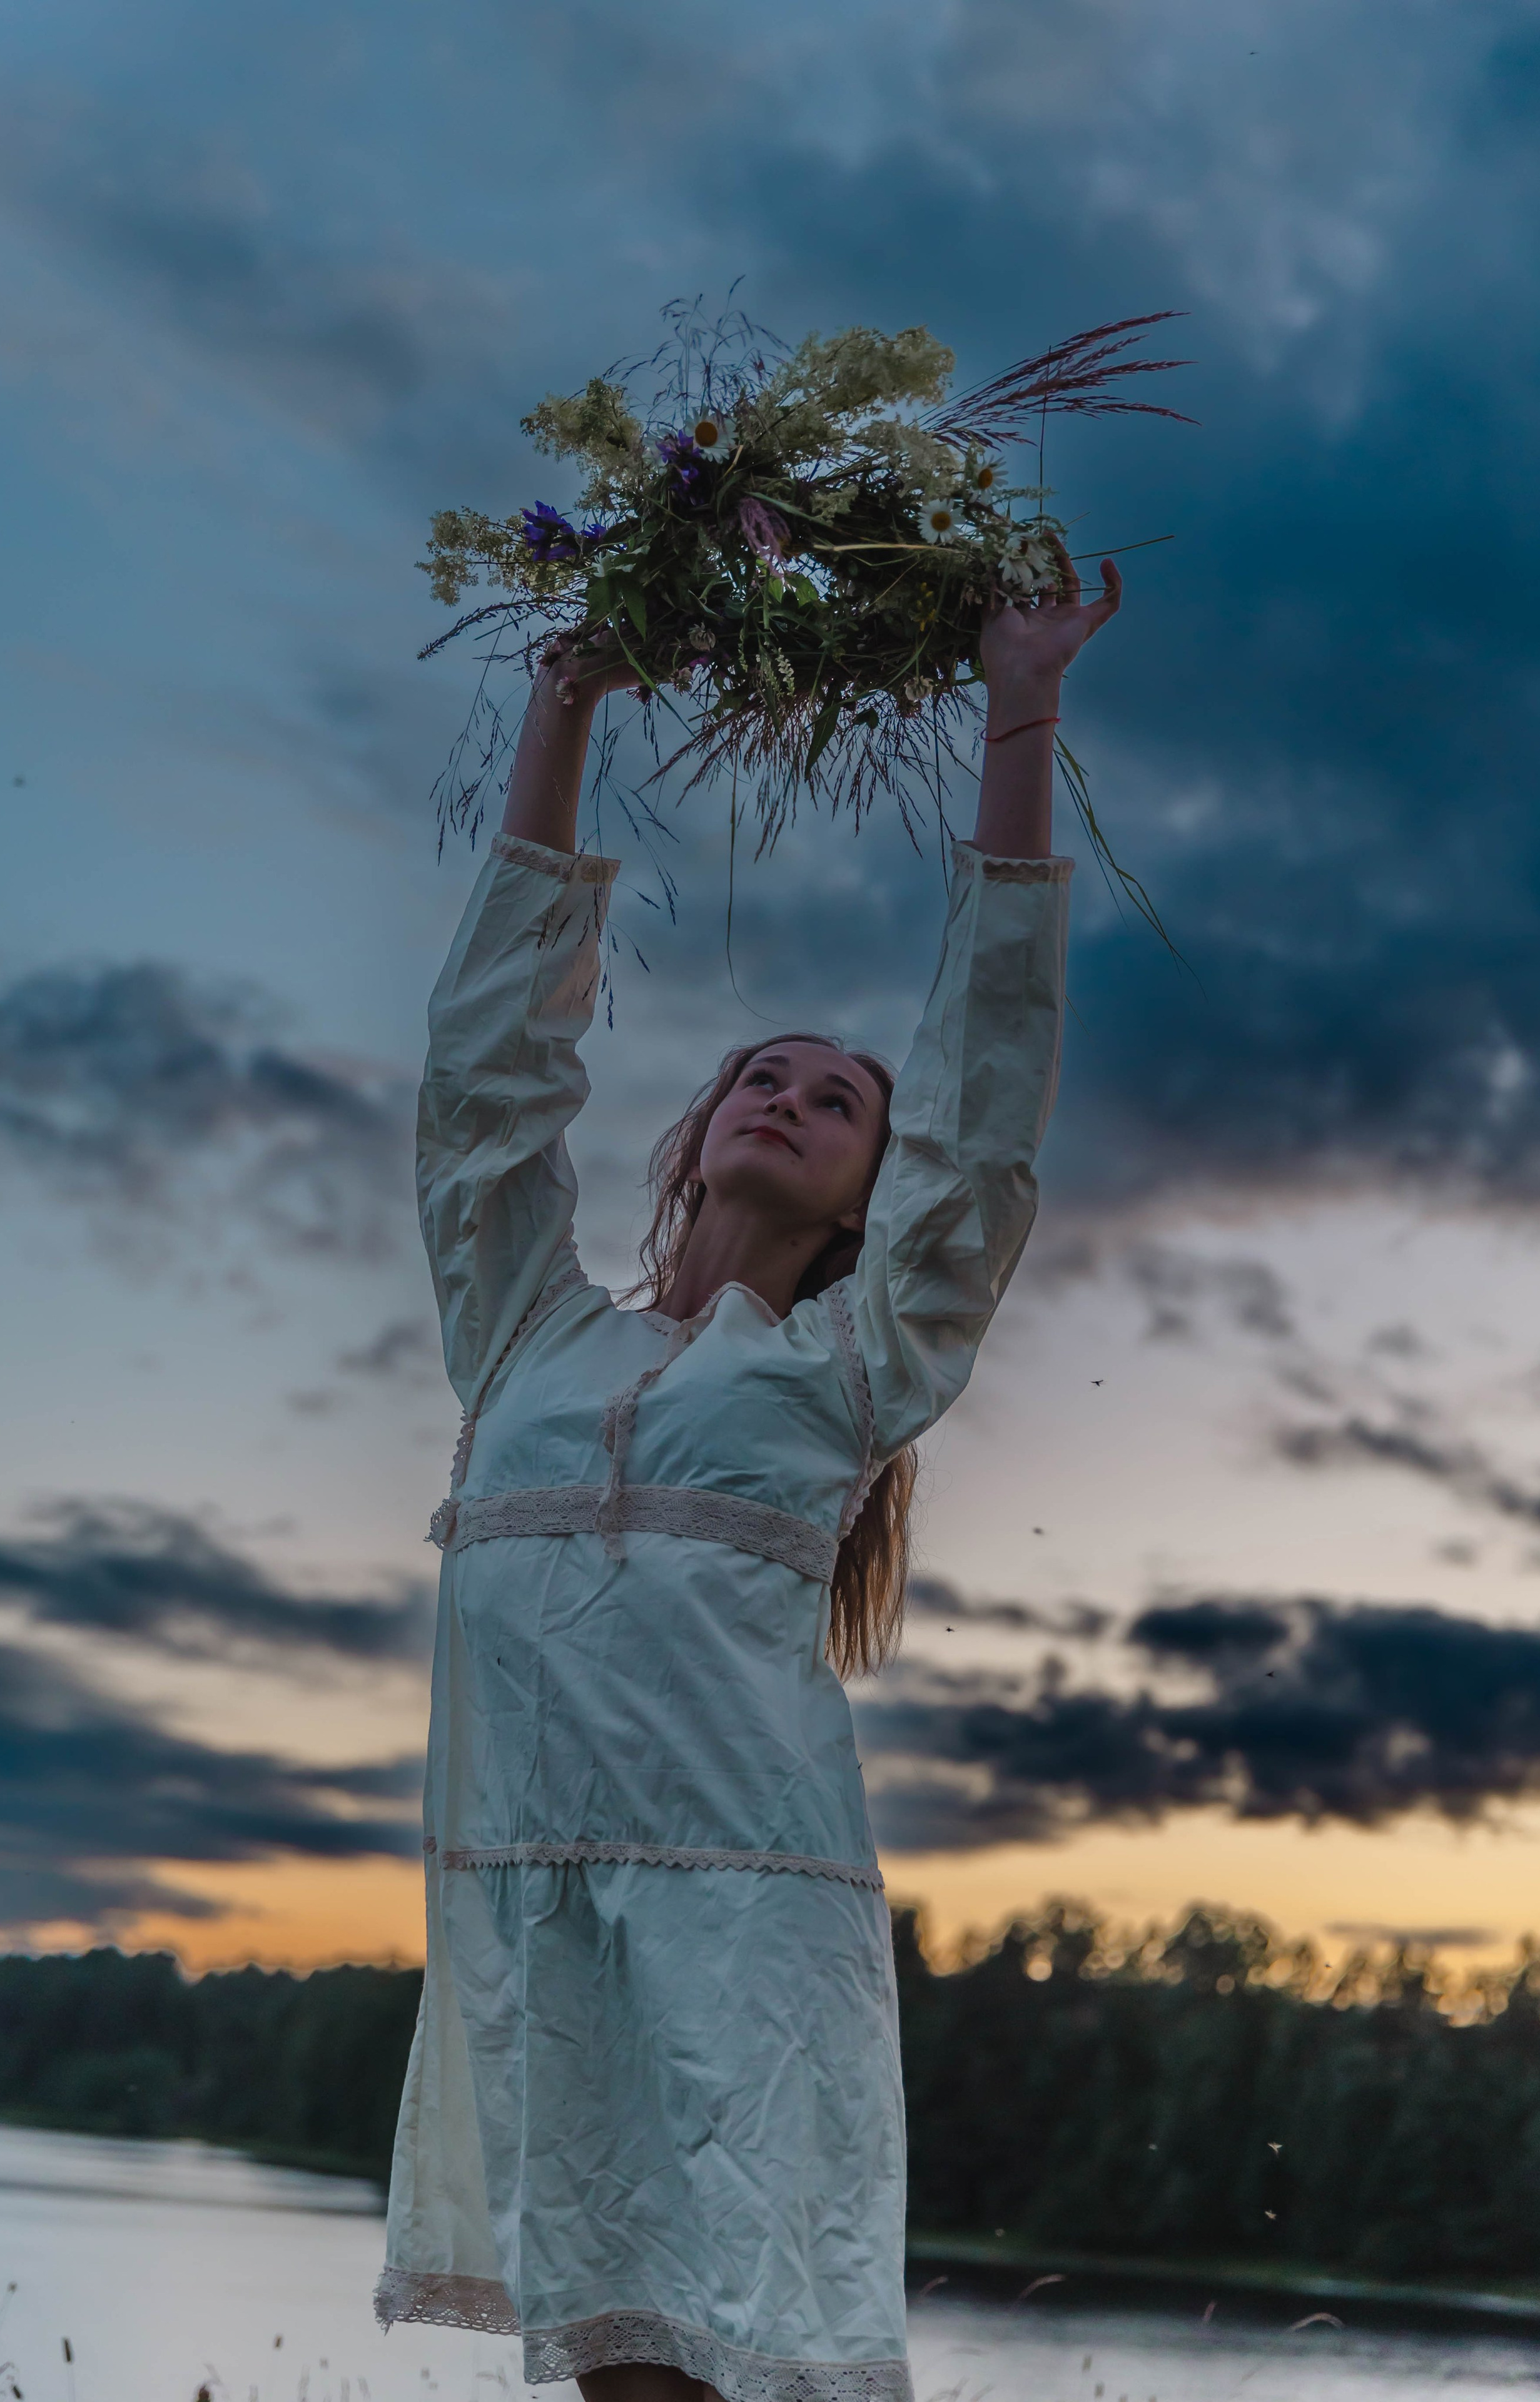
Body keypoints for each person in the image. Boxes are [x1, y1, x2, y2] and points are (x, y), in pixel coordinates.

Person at [375, 552, 1123, 2402]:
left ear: (874, 1195)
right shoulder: (530, 1340)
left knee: (732, 2375)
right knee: (622, 2376)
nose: (787, 1096)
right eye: (757, 1078)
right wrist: (568, 705)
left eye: (835, 1099)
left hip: (744, 1928)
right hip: (538, 1912)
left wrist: (1016, 713)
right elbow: (487, 1085)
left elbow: (985, 1109)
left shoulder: (847, 1378)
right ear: (696, 1133)